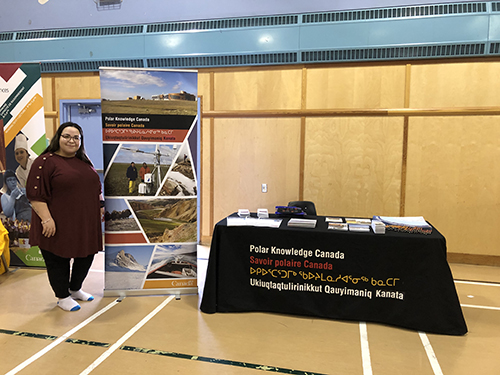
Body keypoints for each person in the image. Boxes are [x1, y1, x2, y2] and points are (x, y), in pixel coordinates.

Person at [26, 122, 104, 312]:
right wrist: (46, 219)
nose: (71, 140)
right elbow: (35, 195)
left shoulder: (84, 161)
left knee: (86, 255)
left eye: (76, 137)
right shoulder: (45, 161)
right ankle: (62, 296)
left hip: (85, 222)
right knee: (57, 258)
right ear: (58, 138)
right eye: (67, 136)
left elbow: (96, 187)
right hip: (56, 222)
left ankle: (75, 288)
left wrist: (100, 205)